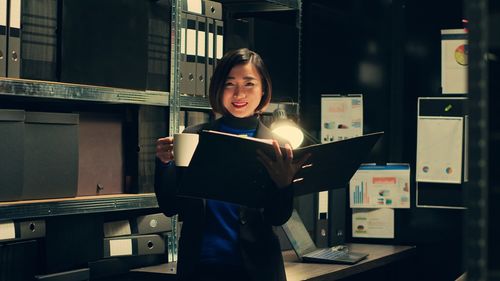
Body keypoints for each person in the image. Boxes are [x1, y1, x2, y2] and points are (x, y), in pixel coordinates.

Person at [154, 48, 309, 281]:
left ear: (263, 88)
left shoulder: (277, 145)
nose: (239, 94)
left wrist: (283, 185)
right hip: (200, 269)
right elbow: (170, 206)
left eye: (249, 84)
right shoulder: (194, 137)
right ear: (219, 87)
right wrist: (164, 164)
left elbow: (278, 218)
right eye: (229, 84)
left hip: (256, 271)